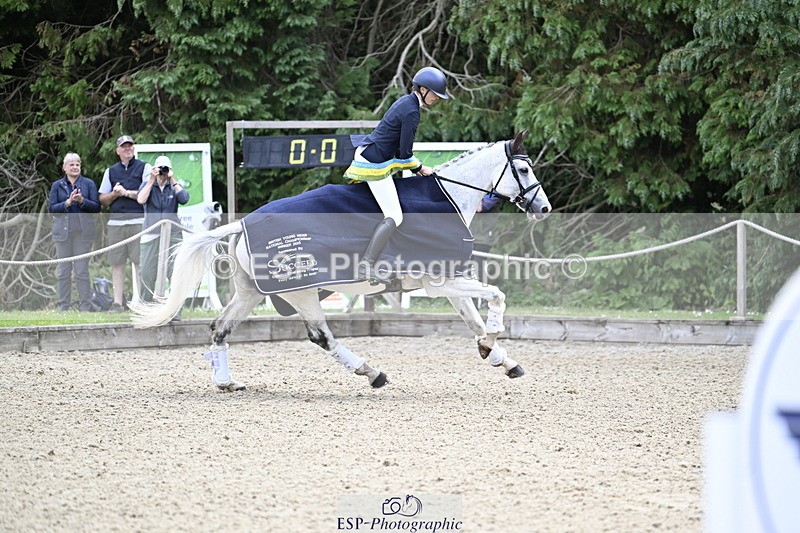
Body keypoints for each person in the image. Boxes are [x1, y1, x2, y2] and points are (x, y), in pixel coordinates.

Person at [343, 66, 449, 283]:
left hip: (373, 155)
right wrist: (420, 168)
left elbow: (401, 152)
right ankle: (366, 265)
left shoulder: (406, 102)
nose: (437, 99)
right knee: (395, 216)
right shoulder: (411, 111)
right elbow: (405, 154)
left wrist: (414, 165)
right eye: (435, 94)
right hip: (373, 162)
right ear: (422, 90)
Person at [99, 135, 150, 312]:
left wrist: (126, 192)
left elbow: (146, 195)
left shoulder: (144, 168)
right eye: (124, 146)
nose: (128, 148)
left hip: (138, 221)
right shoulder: (110, 171)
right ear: (118, 150)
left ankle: (139, 300)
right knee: (117, 263)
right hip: (116, 223)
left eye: (130, 145)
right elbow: (103, 199)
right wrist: (115, 194)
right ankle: (117, 303)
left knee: (139, 262)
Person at [48, 152, 101, 311]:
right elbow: (52, 210)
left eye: (77, 164)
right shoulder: (57, 185)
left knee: (81, 271)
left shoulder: (88, 184)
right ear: (64, 168)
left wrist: (82, 201)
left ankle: (85, 307)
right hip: (62, 234)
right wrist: (68, 202)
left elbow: (97, 208)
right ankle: (63, 306)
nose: (75, 167)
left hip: (82, 234)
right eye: (71, 164)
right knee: (64, 271)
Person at [137, 155, 189, 315]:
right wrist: (151, 180)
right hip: (151, 234)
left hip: (173, 234)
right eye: (160, 169)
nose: (163, 172)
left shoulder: (174, 186)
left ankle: (175, 310)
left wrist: (173, 180)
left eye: (165, 169)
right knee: (147, 272)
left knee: (174, 271)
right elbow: (140, 199)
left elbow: (185, 199)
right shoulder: (148, 185)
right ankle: (146, 309)